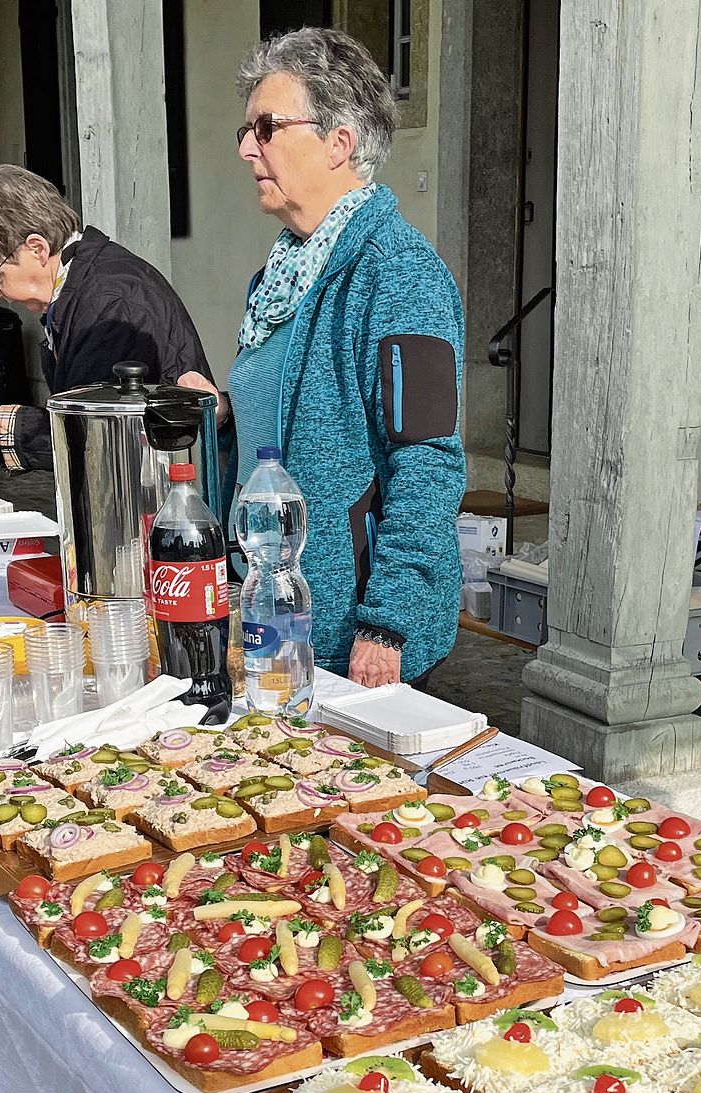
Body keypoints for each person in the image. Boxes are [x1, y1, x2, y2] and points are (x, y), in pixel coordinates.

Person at [179, 28, 466, 691]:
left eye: (268, 126)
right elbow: (285, 424)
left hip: (352, 633)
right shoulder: (280, 276)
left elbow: (427, 459)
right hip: (272, 615)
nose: (249, 147)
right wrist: (222, 414)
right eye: (247, 130)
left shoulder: (398, 272)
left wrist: (388, 620)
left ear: (340, 142)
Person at [0, 164, 213, 474]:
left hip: (155, 501)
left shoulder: (109, 302)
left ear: (37, 248)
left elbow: (93, 439)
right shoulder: (85, 286)